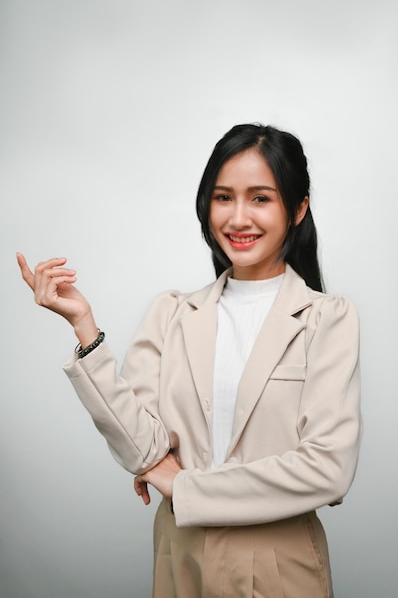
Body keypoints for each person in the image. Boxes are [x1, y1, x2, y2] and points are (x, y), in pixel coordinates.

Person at [17, 123, 361, 598]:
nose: (238, 218)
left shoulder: (328, 318)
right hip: (181, 557)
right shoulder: (172, 312)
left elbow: (328, 468)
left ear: (298, 208)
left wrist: (184, 487)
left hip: (280, 563)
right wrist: (83, 325)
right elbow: (142, 447)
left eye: (261, 198)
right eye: (223, 197)